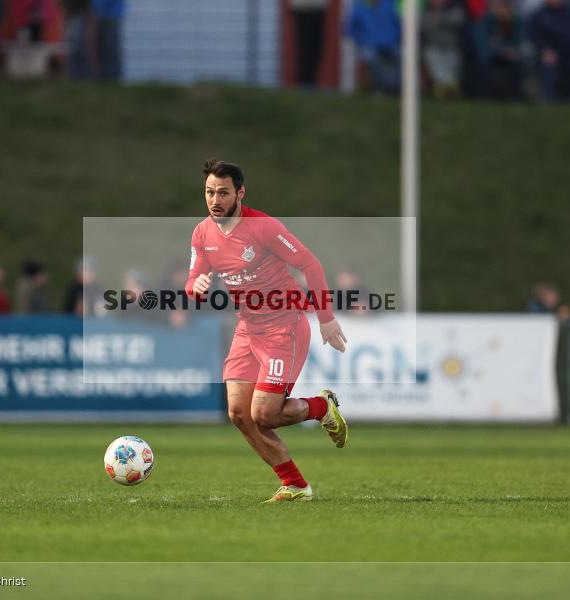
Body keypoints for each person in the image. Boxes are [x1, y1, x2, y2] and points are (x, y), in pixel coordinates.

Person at [185, 159, 348, 504]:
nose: (215, 200)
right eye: (210, 192)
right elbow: (193, 280)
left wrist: (326, 318)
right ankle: (295, 486)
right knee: (240, 415)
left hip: (283, 328)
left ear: (240, 193)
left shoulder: (263, 228)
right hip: (248, 330)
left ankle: (321, 407)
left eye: (223, 193)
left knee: (264, 415)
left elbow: (310, 264)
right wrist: (194, 286)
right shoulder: (202, 233)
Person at [528, 0, 570, 101]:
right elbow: (535, 36)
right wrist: (545, 50)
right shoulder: (539, 15)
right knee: (549, 67)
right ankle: (548, 101)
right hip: (550, 54)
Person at [345, 0, 401, 95]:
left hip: (392, 44)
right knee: (370, 56)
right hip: (369, 45)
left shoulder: (391, 4)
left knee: (402, 56)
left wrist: (396, 38)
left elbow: (400, 24)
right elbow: (350, 30)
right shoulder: (358, 6)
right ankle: (378, 88)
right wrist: (363, 40)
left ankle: (394, 88)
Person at [479, 0, 526, 99]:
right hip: (494, 53)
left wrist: (510, 50)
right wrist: (502, 50)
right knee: (484, 63)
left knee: (519, 65)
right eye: (501, 8)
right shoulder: (489, 20)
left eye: (506, 8)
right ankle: (485, 96)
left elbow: (519, 40)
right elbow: (486, 41)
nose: (503, 11)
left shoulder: (517, 21)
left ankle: (516, 97)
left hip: (511, 53)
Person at [421, 0, 467, 98]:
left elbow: (459, 19)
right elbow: (424, 24)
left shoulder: (455, 6)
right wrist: (443, 20)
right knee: (432, 56)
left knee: (453, 60)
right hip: (433, 47)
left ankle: (448, 87)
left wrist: (437, 18)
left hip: (452, 46)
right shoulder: (425, 10)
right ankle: (444, 87)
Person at [289, 0, 329, 89]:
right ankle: (305, 83)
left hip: (319, 8)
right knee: (305, 46)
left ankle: (311, 81)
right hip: (303, 8)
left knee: (317, 47)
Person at [89, 0, 125, 82]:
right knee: (102, 49)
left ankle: (112, 79)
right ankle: (103, 78)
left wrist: (97, 7)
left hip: (110, 14)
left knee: (110, 49)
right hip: (100, 14)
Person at [62, 0, 92, 79]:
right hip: (73, 14)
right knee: (74, 45)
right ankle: (75, 73)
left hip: (78, 14)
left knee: (77, 45)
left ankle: (79, 73)